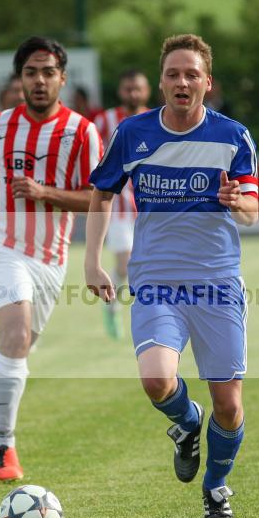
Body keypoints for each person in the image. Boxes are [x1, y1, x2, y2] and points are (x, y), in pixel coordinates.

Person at [85, 34, 259, 518]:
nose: (181, 81)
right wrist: (92, 260)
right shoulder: (132, 133)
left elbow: (252, 207)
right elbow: (102, 194)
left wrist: (237, 201)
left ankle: (216, 484)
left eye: (191, 74)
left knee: (229, 404)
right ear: (161, 83)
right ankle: (186, 423)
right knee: (156, 378)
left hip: (216, 283)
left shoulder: (232, 135)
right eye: (172, 74)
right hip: (157, 280)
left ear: (207, 82)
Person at [0, 37, 101, 481]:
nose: (39, 80)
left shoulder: (82, 132)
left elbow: (96, 199)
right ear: (19, 79)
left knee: (21, 347)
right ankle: (4, 447)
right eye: (30, 72)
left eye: (48, 71)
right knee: (14, 339)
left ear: (62, 79)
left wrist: (45, 193)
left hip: (50, 259)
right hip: (1, 246)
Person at [91, 69, 151, 340]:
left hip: (151, 206)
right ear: (120, 91)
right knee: (126, 264)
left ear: (147, 90)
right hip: (116, 206)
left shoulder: (158, 120)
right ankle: (113, 306)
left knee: (149, 265)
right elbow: (94, 157)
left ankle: (152, 315)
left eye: (137, 88)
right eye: (128, 89)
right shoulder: (105, 121)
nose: (133, 94)